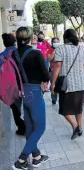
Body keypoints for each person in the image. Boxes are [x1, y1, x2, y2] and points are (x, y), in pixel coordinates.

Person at [12, 27, 50, 170]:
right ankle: (21, 160)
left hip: (22, 92)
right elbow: (46, 76)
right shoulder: (35, 53)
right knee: (40, 127)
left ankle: (37, 157)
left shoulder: (13, 54)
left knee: (30, 127)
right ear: (30, 38)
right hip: (34, 92)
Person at [51, 29, 84, 140]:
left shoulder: (60, 49)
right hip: (80, 83)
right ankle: (80, 127)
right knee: (78, 108)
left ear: (65, 38)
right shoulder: (83, 49)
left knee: (64, 109)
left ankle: (76, 126)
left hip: (66, 85)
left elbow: (57, 67)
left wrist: (53, 83)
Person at [0, 33, 26, 136]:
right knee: (26, 106)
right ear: (15, 42)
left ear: (4, 43)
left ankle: (21, 128)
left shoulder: (2, 56)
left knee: (15, 107)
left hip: (9, 87)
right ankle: (29, 126)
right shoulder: (20, 53)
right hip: (23, 83)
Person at [47, 37, 60, 104]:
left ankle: (62, 99)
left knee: (61, 84)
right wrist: (54, 52)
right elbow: (49, 59)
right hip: (53, 70)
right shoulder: (50, 50)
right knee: (53, 84)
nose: (56, 43)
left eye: (57, 42)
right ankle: (54, 99)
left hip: (60, 70)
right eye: (54, 42)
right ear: (52, 43)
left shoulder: (61, 49)